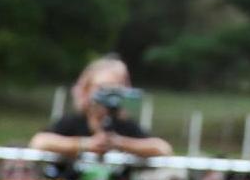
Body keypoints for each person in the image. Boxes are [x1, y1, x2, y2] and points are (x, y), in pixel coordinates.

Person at [28, 54, 171, 163]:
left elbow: (162, 149)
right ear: (86, 90)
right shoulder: (73, 122)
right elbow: (39, 142)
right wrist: (85, 144)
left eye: (116, 89)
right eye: (102, 88)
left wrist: (120, 143)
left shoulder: (124, 126)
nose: (109, 95)